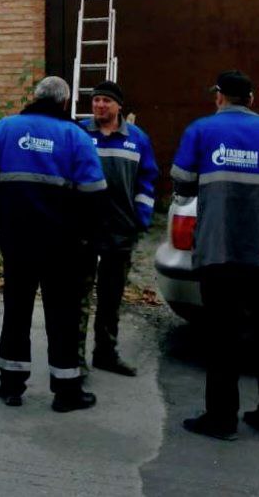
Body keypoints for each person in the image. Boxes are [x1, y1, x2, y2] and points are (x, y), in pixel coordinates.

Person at [172, 70, 259, 440]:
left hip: (218, 252)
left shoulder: (201, 130)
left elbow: (182, 180)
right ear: (251, 98)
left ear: (219, 97)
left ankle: (222, 420)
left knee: (222, 338)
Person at [0, 76, 107, 412]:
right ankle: (66, 392)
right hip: (62, 245)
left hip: (16, 240)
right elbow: (94, 195)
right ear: (64, 102)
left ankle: (11, 386)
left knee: (16, 311)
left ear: (34, 97)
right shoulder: (75, 137)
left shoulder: (3, 130)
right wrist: (89, 238)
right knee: (62, 315)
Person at [78, 81, 159, 377]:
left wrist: (141, 217)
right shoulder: (79, 134)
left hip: (121, 229)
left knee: (111, 298)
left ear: (118, 106)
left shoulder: (137, 139)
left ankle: (105, 353)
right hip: (84, 228)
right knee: (79, 296)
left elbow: (147, 181)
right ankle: (75, 359)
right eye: (96, 100)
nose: (99, 105)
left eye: (106, 101)